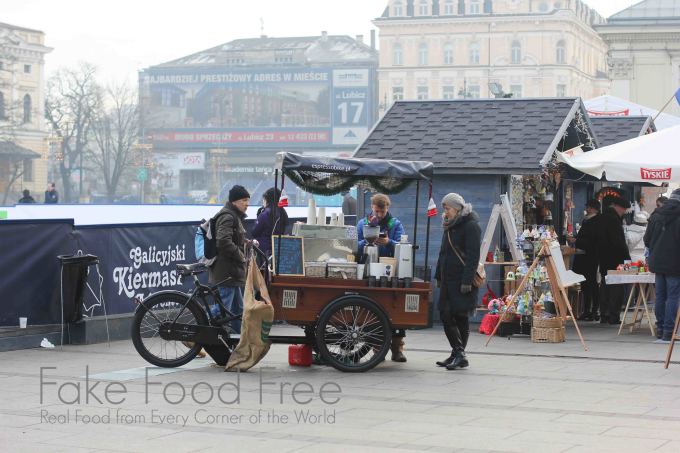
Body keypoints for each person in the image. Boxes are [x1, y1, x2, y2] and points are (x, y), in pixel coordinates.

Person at [356, 193, 407, 362]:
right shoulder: (363, 223)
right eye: (376, 211)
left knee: (395, 311)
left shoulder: (395, 224)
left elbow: (402, 245)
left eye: (382, 211)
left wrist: (389, 242)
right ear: (371, 207)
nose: (378, 215)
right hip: (368, 270)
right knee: (372, 312)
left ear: (388, 208)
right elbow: (354, 245)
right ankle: (378, 348)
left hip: (390, 271)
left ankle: (397, 349)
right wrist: (367, 241)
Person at [434, 193, 481, 371]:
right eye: (444, 208)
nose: (445, 212)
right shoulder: (449, 225)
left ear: (457, 208)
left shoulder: (470, 225)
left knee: (460, 316)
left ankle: (459, 354)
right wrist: (439, 275)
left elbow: (473, 256)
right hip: (448, 278)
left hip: (461, 279)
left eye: (447, 208)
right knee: (446, 315)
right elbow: (443, 252)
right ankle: (458, 353)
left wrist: (467, 280)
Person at [209, 185, 250, 334]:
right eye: (244, 200)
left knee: (238, 310)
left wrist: (246, 243)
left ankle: (240, 343)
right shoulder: (228, 216)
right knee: (222, 309)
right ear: (234, 201)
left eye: (248, 200)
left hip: (232, 272)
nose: (247, 204)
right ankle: (193, 334)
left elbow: (233, 238)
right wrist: (240, 256)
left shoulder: (234, 216)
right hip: (226, 272)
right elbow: (223, 241)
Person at [644, 188, 680, 342]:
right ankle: (669, 331)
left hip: (657, 261)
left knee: (660, 295)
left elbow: (646, 240)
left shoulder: (656, 214)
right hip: (675, 262)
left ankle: (660, 328)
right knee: (673, 296)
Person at [596, 196, 631, 325]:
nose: (624, 212)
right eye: (623, 209)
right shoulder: (614, 220)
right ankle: (613, 315)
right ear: (617, 207)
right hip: (616, 258)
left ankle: (603, 314)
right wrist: (627, 258)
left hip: (603, 257)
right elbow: (619, 242)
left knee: (605, 285)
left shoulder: (601, 217)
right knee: (616, 287)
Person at [568, 199, 600, 321]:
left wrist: (576, 241)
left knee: (591, 283)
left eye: (587, 207)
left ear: (592, 208)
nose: (586, 209)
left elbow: (592, 240)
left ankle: (593, 310)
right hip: (583, 256)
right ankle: (586, 310)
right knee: (585, 284)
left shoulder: (595, 221)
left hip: (590, 257)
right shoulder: (587, 220)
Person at [252, 187, 288, 258]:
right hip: (278, 249)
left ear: (267, 199)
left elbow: (254, 232)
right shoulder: (283, 213)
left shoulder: (265, 213)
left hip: (264, 250)